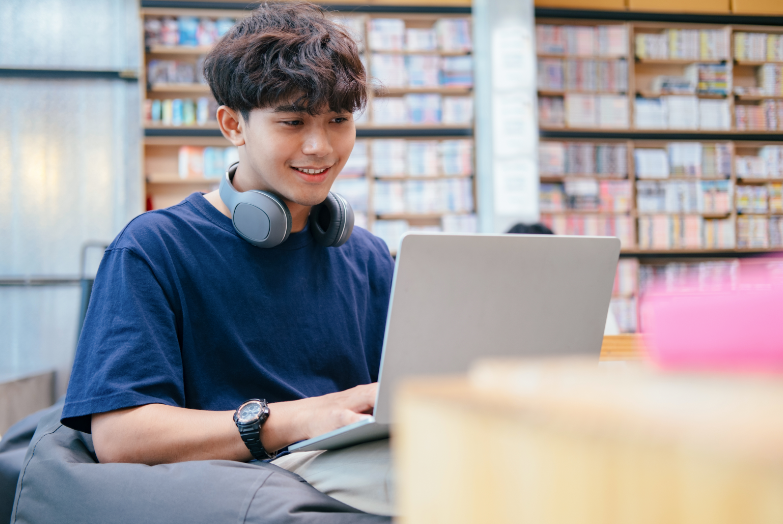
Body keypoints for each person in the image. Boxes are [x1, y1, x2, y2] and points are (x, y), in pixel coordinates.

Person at [61, 3, 395, 516]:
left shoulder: (369, 257)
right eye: (292, 121)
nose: (320, 146)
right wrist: (302, 419)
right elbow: (120, 437)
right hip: (241, 494)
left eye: (338, 120)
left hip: (354, 472)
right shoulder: (153, 248)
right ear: (232, 125)